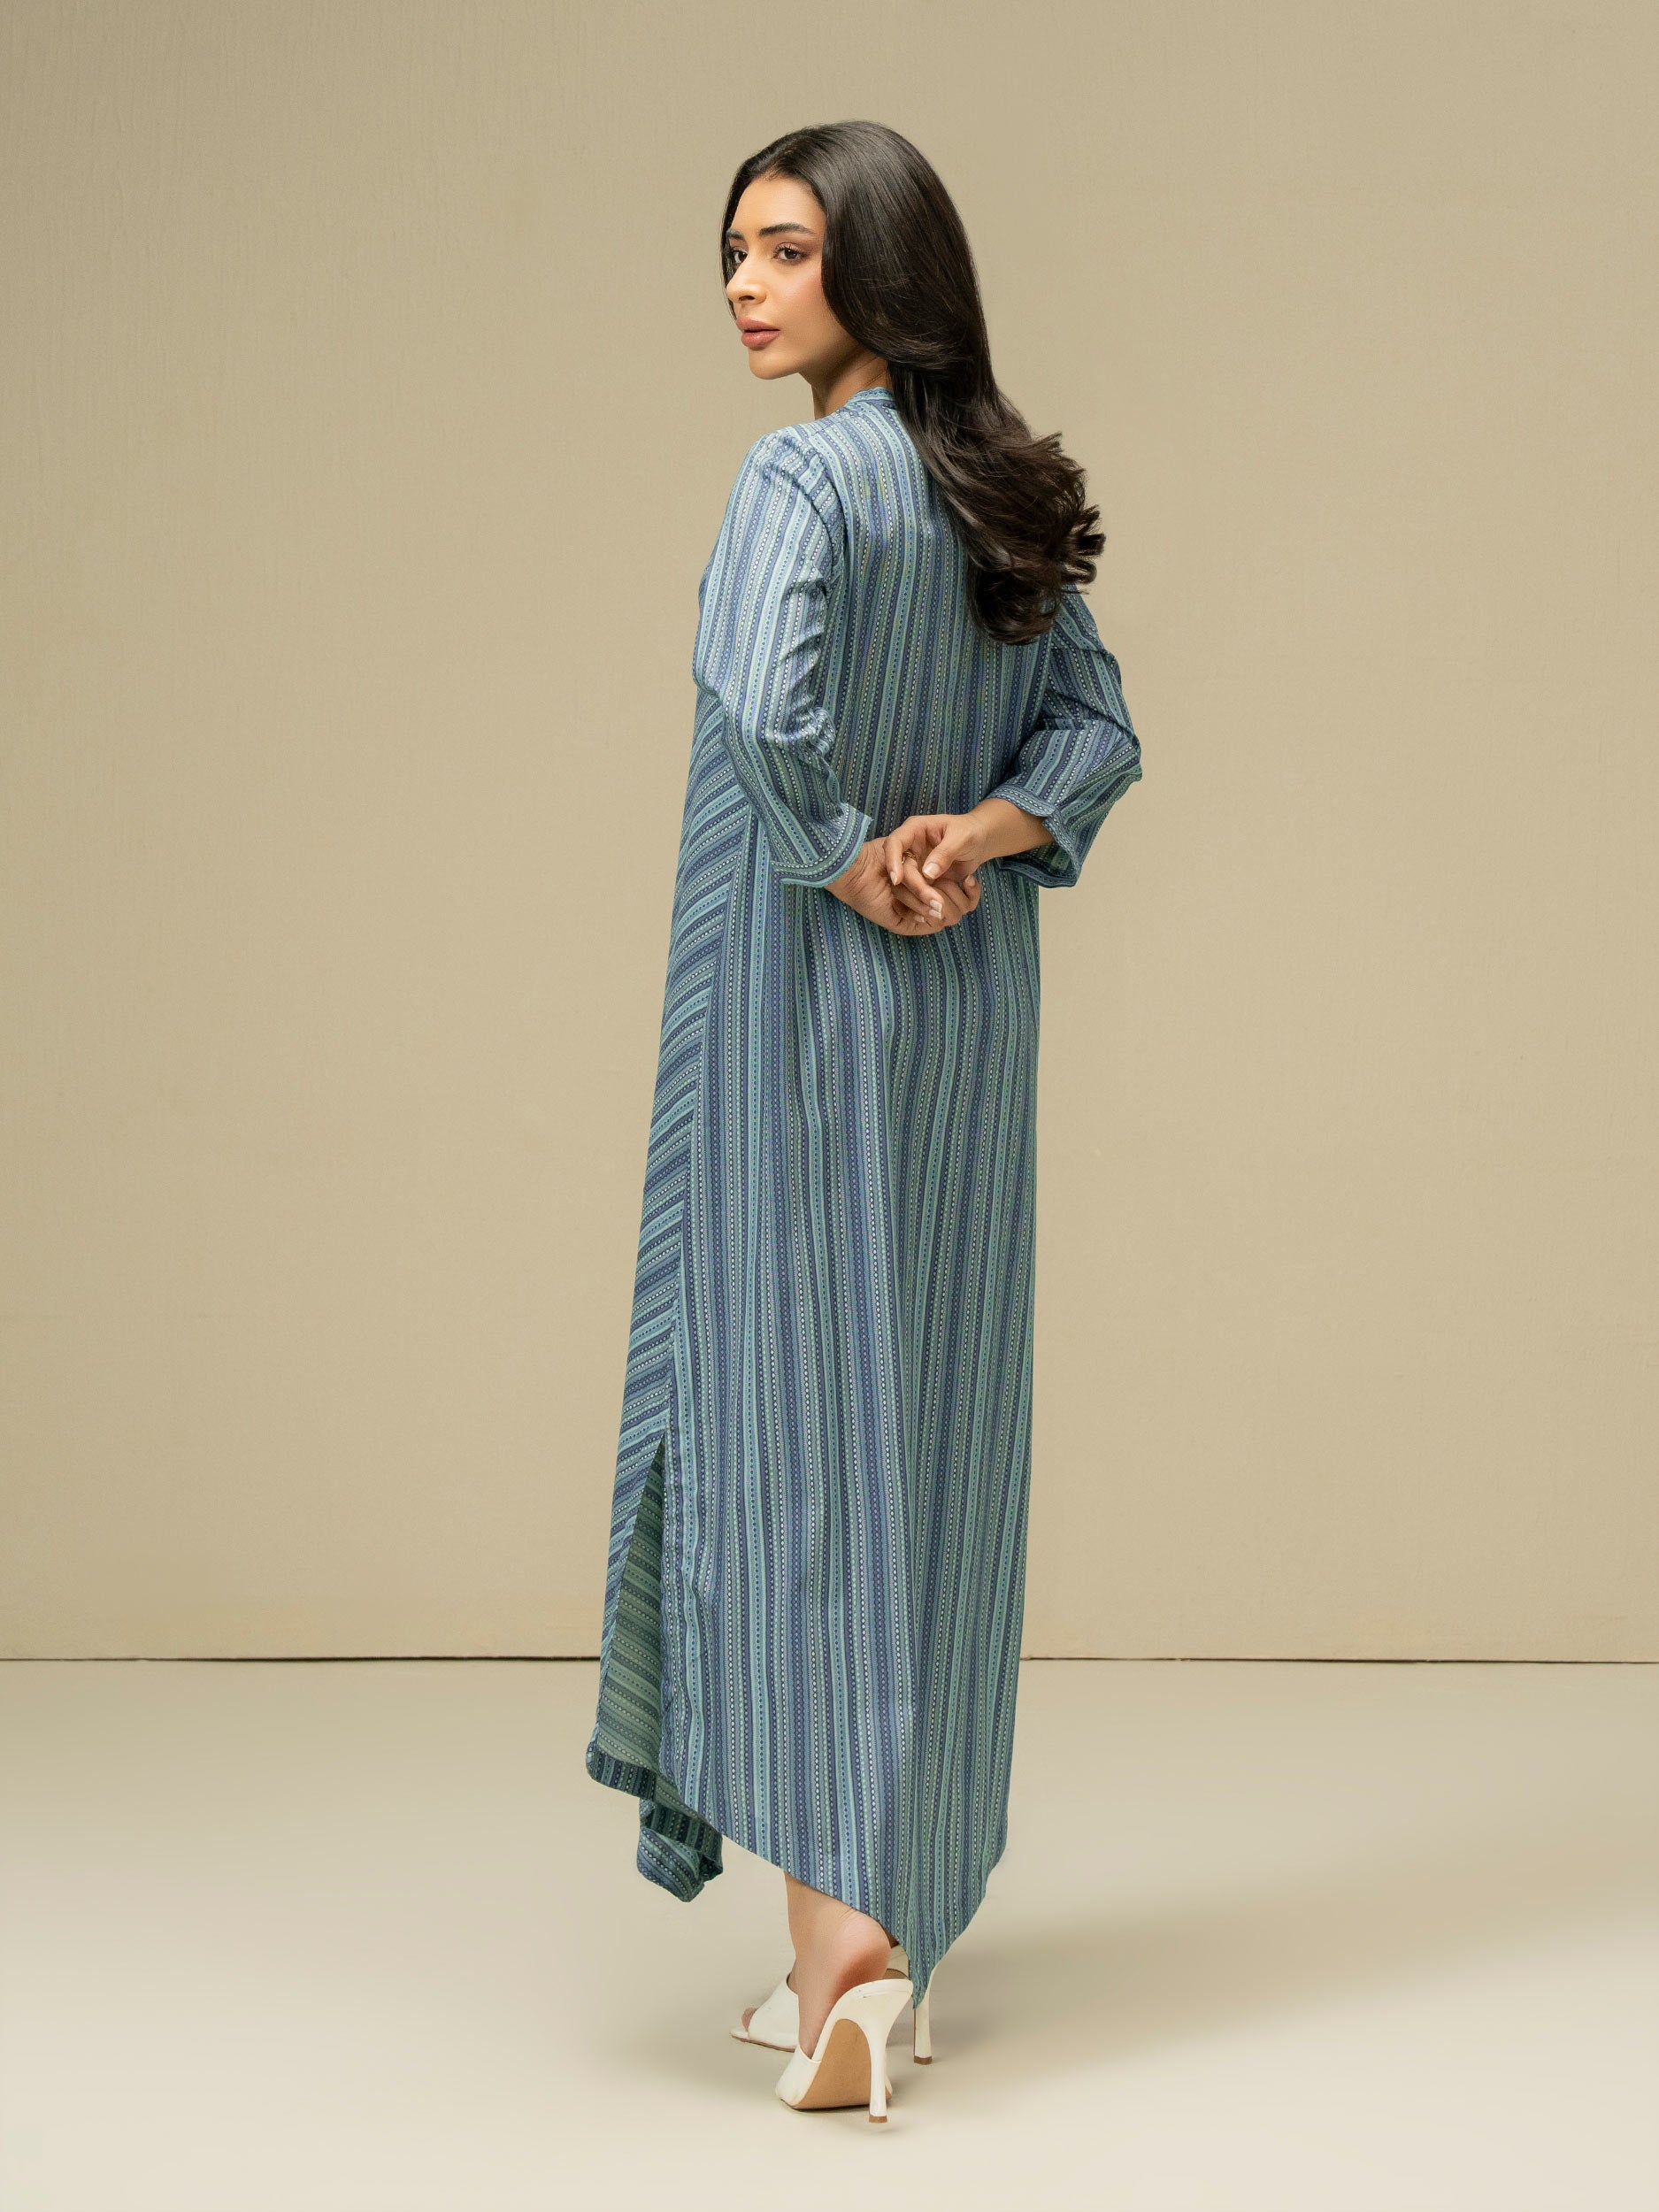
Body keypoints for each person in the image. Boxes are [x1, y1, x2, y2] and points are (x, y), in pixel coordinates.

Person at [584, 119, 1144, 2119]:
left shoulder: (800, 478)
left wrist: (845, 859)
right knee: (930, 1437)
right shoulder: (992, 488)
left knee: (790, 1438)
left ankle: (846, 1955)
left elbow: (762, 705)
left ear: (879, 267)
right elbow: (1097, 729)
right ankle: (880, 1920)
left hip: (799, 1014)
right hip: (963, 1031)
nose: (744, 287)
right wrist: (971, 839)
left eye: (786, 250)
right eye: (732, 251)